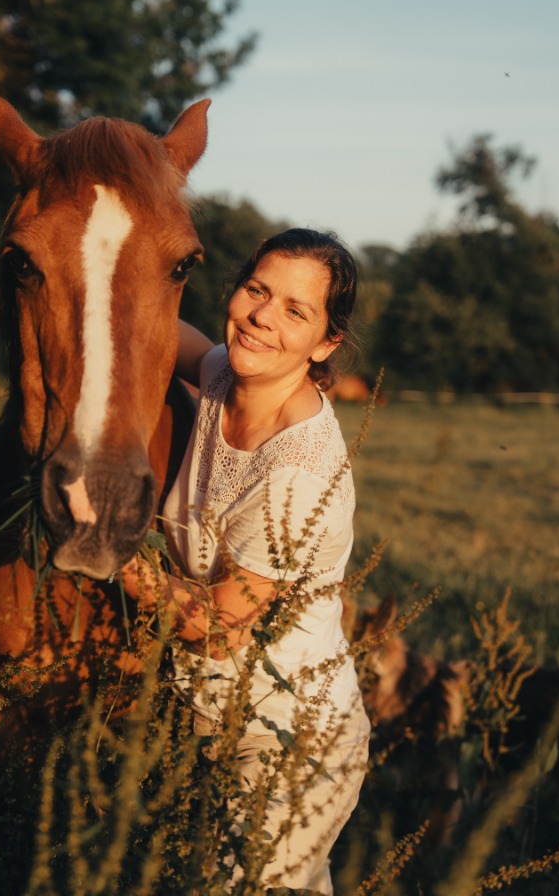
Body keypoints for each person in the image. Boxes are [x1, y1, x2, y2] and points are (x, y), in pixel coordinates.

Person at [120, 227, 369, 894]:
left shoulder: (298, 469)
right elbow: (160, 326)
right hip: (210, 719)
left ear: (325, 343)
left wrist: (111, 550)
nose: (262, 316)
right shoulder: (223, 374)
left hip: (291, 736)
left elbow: (211, 622)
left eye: (295, 310)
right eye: (256, 290)